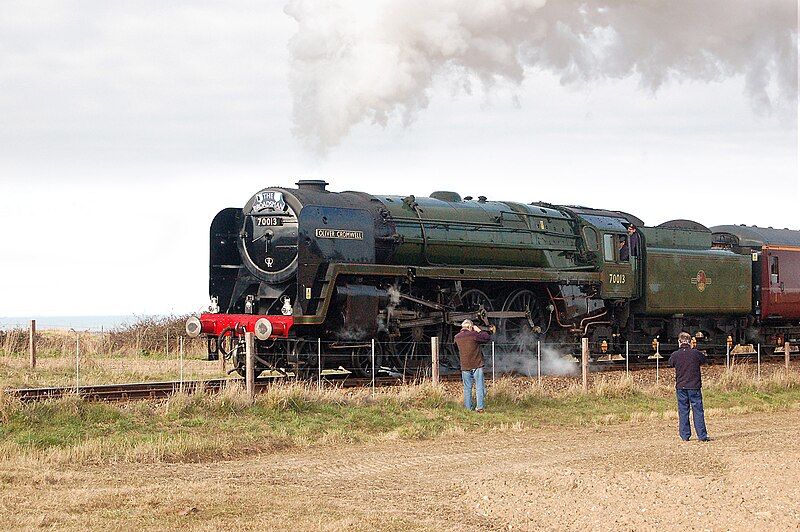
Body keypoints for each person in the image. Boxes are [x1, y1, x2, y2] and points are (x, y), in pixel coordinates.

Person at [667, 332, 710, 442]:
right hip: (694, 386)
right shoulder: (696, 353)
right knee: (698, 410)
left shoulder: (675, 355)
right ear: (691, 342)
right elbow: (704, 360)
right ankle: (702, 435)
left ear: (679, 342)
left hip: (681, 386)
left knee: (683, 410)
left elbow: (670, 363)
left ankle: (685, 435)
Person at [454, 319, 495, 412]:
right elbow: (487, 337)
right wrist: (478, 330)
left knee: (467, 388)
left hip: (465, 366)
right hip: (477, 364)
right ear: (470, 327)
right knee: (479, 386)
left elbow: (456, 348)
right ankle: (479, 407)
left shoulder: (457, 337)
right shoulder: (473, 335)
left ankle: (468, 408)